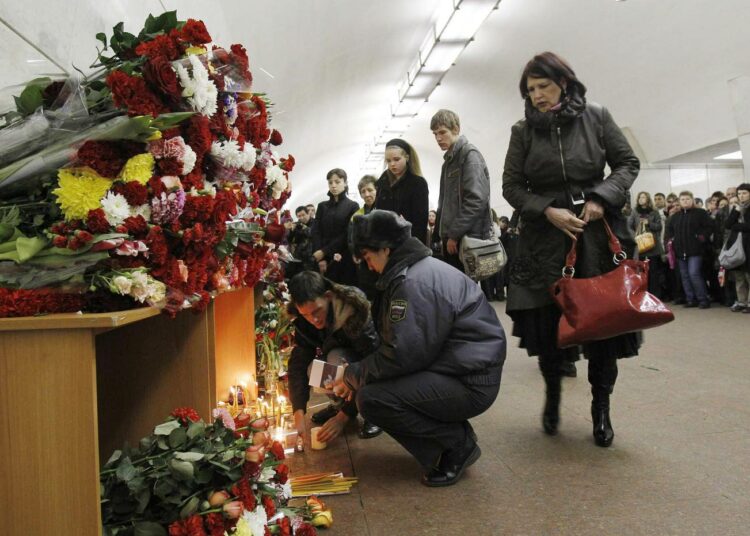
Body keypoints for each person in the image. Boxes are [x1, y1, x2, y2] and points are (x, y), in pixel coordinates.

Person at [502, 51, 640, 447]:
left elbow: (626, 163)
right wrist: (547, 210)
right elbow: (511, 186)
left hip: (595, 234)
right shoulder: (522, 131)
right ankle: (553, 393)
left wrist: (601, 198)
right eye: (530, 90)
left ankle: (601, 407)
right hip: (545, 238)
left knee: (603, 323)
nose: (537, 96)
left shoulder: (595, 116)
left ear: (563, 82)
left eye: (543, 86)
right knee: (547, 326)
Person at [336, 210, 506, 487]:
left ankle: (456, 446)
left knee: (372, 399)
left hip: (471, 381)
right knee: (376, 387)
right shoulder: (417, 270)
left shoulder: (412, 283)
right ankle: (454, 434)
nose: (368, 267)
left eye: (368, 257)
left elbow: (402, 355)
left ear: (385, 249)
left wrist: (352, 375)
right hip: (464, 369)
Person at [287, 271, 382, 444]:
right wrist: (298, 412)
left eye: (317, 311)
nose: (313, 319)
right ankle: (340, 405)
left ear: (328, 297)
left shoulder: (354, 311)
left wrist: (343, 418)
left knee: (335, 358)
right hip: (343, 365)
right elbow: (299, 361)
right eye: (306, 315)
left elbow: (373, 360)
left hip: (364, 366)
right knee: (313, 370)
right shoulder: (303, 319)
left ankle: (372, 411)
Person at [431, 109, 492, 272]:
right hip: (453, 240)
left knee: (467, 291)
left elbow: (476, 199)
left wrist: (454, 234)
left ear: (456, 129)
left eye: (442, 132)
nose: (438, 138)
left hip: (466, 239)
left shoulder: (469, 155)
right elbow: (443, 204)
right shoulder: (449, 161)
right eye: (435, 134)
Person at [374, 139, 430, 244]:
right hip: (385, 243)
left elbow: (421, 222)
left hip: (408, 241)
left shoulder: (418, 183)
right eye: (388, 161)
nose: (392, 164)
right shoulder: (382, 183)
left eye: (396, 159)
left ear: (407, 157)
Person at [665, 191, 714, 309]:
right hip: (680, 251)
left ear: (692, 200)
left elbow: (709, 227)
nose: (685, 201)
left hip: (696, 251)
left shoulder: (701, 213)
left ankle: (703, 299)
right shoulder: (675, 217)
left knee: (694, 274)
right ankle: (691, 299)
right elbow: (669, 231)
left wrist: (701, 237)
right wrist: (672, 240)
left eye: (687, 199)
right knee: (685, 276)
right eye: (682, 199)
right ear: (679, 202)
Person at [311, 169, 359, 285]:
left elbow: (347, 233)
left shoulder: (352, 206)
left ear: (345, 183)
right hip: (321, 258)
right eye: (330, 182)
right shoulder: (322, 206)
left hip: (343, 256)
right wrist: (320, 256)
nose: (333, 186)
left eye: (337, 182)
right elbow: (316, 231)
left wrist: (324, 251)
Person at [628, 192, 665, 298]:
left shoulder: (654, 212)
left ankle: (655, 295)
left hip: (652, 245)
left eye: (643, 197)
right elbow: (629, 226)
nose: (641, 199)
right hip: (639, 246)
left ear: (648, 199)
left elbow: (658, 227)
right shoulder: (634, 212)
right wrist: (634, 235)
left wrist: (649, 223)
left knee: (654, 272)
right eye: (639, 197)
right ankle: (643, 294)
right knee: (641, 271)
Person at [352, 175, 379, 301]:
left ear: (377, 190)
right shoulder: (357, 215)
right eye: (363, 191)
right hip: (365, 262)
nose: (367, 194)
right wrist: (355, 253)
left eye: (370, 190)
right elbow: (352, 238)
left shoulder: (385, 210)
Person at [724, 183, 750, 312]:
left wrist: (737, 226)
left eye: (744, 193)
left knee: (748, 275)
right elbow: (728, 224)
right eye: (739, 193)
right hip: (737, 246)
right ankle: (741, 302)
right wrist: (736, 212)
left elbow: (748, 227)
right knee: (739, 277)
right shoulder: (737, 207)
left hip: (748, 246)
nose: (741, 196)